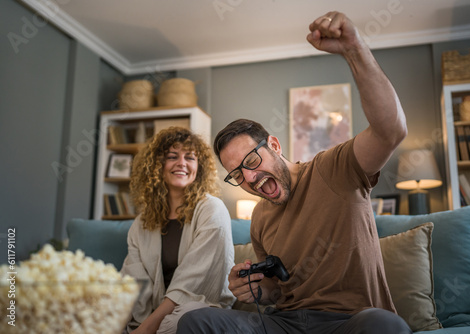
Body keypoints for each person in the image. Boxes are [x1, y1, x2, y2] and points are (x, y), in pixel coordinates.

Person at [177, 11, 411, 334]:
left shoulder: (333, 169)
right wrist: (256, 290)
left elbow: (390, 131)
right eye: (236, 174)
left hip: (349, 321)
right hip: (284, 324)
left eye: (251, 161)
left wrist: (354, 49)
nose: (249, 178)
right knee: (195, 321)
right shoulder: (260, 217)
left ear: (274, 144)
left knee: (385, 325)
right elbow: (277, 291)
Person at [120, 127, 236, 334]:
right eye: (172, 157)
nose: (181, 163)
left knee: (175, 324)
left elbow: (194, 281)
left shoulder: (212, 210)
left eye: (190, 158)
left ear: (199, 168)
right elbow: (132, 281)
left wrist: (147, 328)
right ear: (157, 165)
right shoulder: (141, 223)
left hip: (199, 306)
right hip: (152, 312)